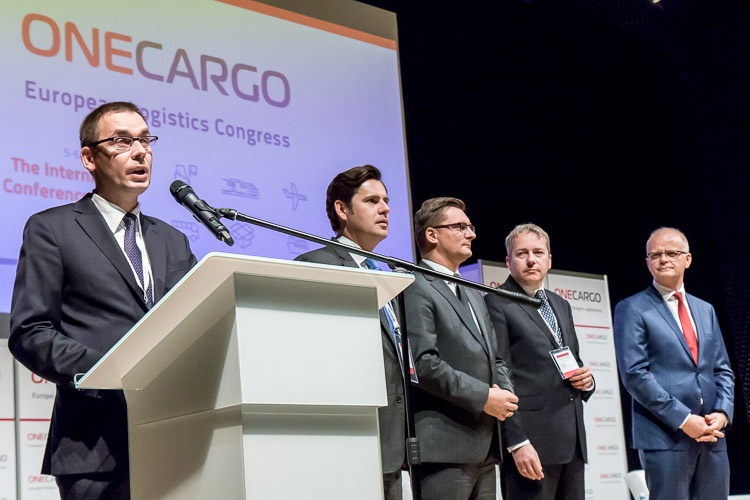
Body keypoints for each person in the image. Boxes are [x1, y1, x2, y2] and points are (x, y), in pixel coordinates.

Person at [9, 101, 198, 499]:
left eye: (145, 140)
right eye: (122, 141)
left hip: (175, 441)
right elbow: (30, 331)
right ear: (89, 157)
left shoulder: (172, 240)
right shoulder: (53, 229)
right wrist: (110, 370)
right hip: (93, 447)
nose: (140, 151)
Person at [294, 164, 407, 500]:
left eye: (386, 201)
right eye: (372, 201)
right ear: (342, 210)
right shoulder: (318, 265)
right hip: (349, 441)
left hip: (391, 442)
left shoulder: (386, 272)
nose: (385, 209)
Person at [402, 196, 518, 500]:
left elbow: (495, 358)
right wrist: (484, 397)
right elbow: (424, 364)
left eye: (470, 227)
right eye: (460, 227)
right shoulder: (414, 285)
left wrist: (504, 395)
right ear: (432, 234)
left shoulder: (472, 291)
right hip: (444, 448)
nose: (471, 234)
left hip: (485, 446)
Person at [613, 227, 735, 500]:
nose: (663, 259)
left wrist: (723, 412)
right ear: (647, 262)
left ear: (687, 259)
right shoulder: (632, 308)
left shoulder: (705, 309)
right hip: (665, 437)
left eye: (671, 253)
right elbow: (635, 375)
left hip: (712, 436)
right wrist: (683, 419)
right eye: (655, 255)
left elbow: (722, 369)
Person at [484, 223, 594, 500]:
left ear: (549, 260)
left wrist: (588, 381)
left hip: (572, 442)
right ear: (508, 261)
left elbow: (573, 359)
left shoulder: (560, 304)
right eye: (522, 254)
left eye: (538, 252)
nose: (531, 260)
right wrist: (516, 442)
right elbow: (499, 376)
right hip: (531, 445)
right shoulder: (497, 303)